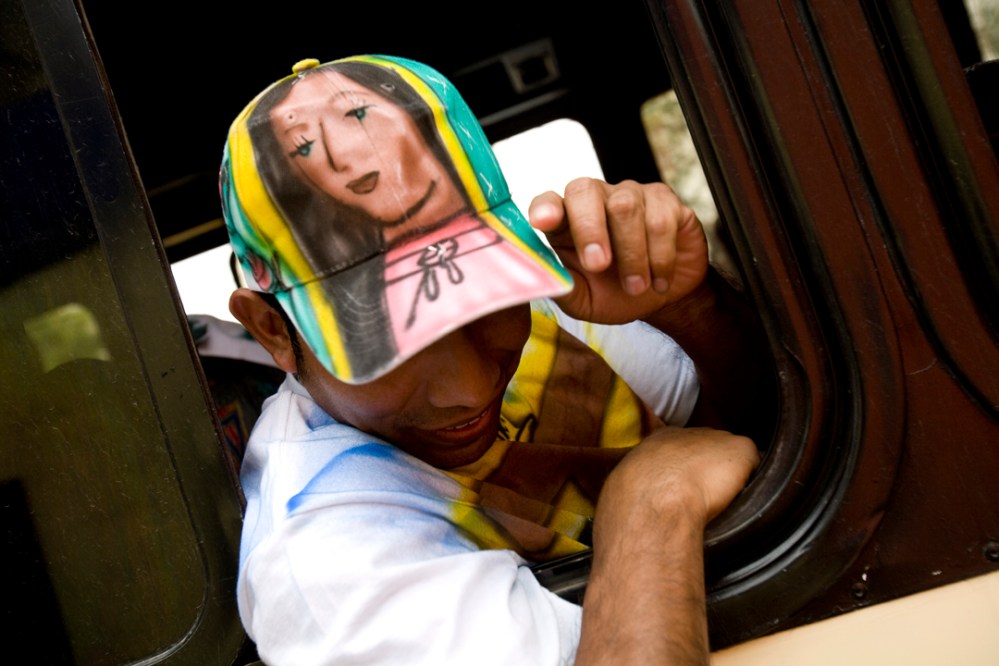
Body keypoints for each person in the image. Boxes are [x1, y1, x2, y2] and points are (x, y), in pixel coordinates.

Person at [221, 54, 772, 665]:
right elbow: (685, 468)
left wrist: (689, 307)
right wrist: (648, 503)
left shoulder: (544, 305)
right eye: (394, 339)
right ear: (273, 330)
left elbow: (746, 429)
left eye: (478, 303)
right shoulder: (326, 560)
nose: (471, 385)